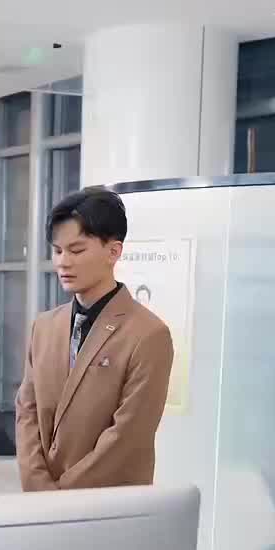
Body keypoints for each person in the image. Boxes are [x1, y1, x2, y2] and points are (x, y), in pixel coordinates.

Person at [15, 185, 173, 492]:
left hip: (108, 504)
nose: (63, 262)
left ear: (113, 252)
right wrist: (38, 486)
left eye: (76, 251)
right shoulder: (44, 327)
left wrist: (61, 497)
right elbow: (27, 411)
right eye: (57, 251)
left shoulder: (148, 334)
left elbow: (128, 436)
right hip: (40, 503)